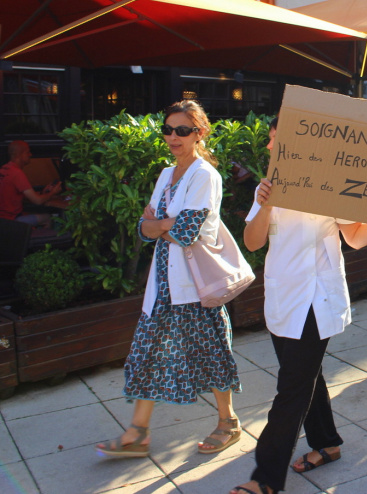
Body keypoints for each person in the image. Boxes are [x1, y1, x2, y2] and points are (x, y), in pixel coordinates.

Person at [232, 126, 367, 494]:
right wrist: (265, 203)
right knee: (303, 376)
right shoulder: (267, 186)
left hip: (317, 300)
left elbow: (356, 236)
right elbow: (252, 242)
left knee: (291, 389)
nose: (268, 145)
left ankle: (265, 479)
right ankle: (327, 441)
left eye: (276, 138)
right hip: (282, 297)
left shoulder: (331, 184)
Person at [96, 100, 242, 458]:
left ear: (199, 133)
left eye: (182, 130)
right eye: (168, 129)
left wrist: (158, 223)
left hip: (193, 286)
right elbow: (143, 230)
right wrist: (163, 225)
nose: (173, 137)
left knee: (211, 353)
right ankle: (138, 432)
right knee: (146, 353)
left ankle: (229, 422)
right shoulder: (165, 175)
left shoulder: (205, 175)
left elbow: (188, 231)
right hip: (161, 286)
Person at [0, 140, 63, 227]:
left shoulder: (4, 169)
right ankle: (44, 240)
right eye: (28, 152)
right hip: (10, 222)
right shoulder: (17, 173)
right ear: (19, 155)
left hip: (4, 219)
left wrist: (42, 193)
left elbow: (23, 196)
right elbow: (37, 201)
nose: (30, 155)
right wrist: (53, 192)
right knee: (48, 217)